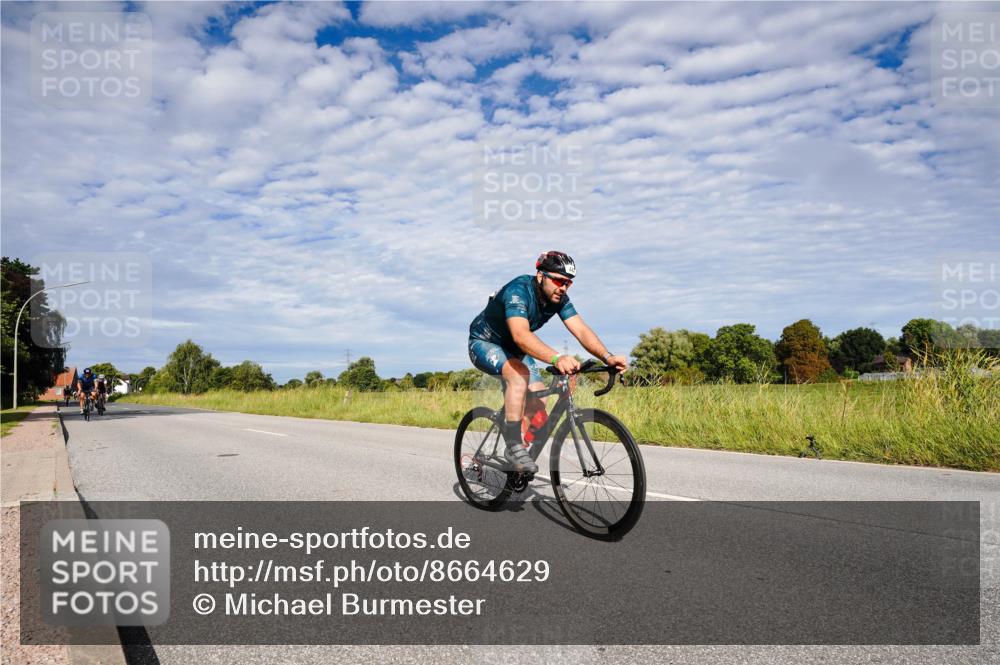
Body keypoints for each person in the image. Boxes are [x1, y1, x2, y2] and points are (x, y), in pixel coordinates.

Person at [468, 251, 628, 474]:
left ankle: (519, 454)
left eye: (568, 283)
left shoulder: (559, 299)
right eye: (559, 281)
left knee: (539, 398)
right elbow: (521, 336)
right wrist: (556, 358)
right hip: (485, 342)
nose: (563, 288)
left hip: (515, 349)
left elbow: (581, 330)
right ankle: (513, 447)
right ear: (540, 275)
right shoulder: (518, 290)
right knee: (519, 376)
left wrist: (608, 357)